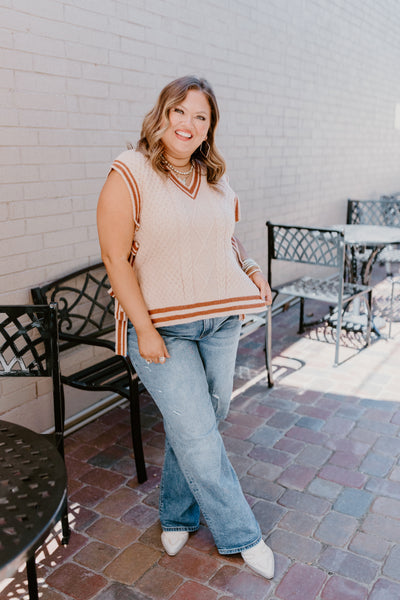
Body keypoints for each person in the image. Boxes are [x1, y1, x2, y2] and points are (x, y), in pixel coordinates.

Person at [97, 75, 274, 579]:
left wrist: (254, 274)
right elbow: (114, 256)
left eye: (201, 117)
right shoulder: (129, 171)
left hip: (220, 323)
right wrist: (145, 330)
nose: (188, 123)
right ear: (163, 114)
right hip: (162, 329)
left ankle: (176, 512)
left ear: (209, 128)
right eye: (181, 111)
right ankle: (242, 534)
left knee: (199, 422)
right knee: (197, 432)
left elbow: (226, 242)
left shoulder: (217, 182)